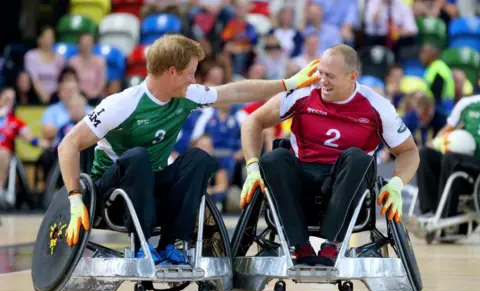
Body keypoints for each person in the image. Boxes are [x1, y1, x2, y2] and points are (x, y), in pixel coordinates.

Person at [58, 34, 320, 266]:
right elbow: (68, 144)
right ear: (172, 71)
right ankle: (141, 245)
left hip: (152, 186)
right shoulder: (122, 104)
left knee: (199, 158)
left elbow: (236, 91)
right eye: (190, 73)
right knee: (138, 157)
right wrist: (74, 198)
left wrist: (287, 83)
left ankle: (171, 244)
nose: (194, 80)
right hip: (113, 194)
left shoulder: (187, 96)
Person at [240, 44, 420, 266]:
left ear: (352, 76)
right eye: (321, 73)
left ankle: (332, 245)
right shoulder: (304, 92)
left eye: (330, 76)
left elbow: (409, 151)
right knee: (273, 158)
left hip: (347, 181)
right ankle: (300, 246)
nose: (322, 80)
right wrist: (252, 167)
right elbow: (253, 121)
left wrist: (396, 183)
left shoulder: (377, 106)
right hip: (302, 179)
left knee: (357, 157)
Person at [409, 94, 480, 237]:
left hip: (476, 165)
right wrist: (434, 143)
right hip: (465, 158)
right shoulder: (466, 104)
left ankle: (446, 216)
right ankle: (428, 211)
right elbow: (447, 130)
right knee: (425, 154)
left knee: (450, 158)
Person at [0, 88, 47, 207]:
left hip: (4, 151)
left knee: (3, 153)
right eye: (6, 99)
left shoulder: (15, 122)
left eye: (11, 100)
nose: (8, 102)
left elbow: (31, 138)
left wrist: (44, 144)